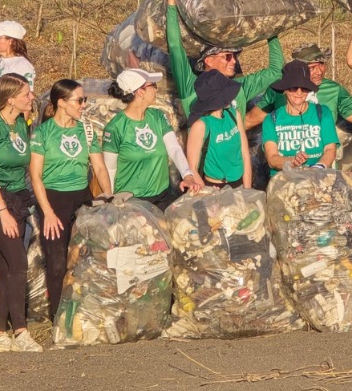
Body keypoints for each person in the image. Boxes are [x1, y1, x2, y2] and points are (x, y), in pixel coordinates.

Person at [29, 79, 111, 320]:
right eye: (80, 100)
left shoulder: (86, 129)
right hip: (53, 200)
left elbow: (99, 167)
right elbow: (35, 176)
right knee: (56, 263)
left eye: (84, 99)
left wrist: (108, 197)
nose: (84, 104)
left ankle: (84, 314)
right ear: (62, 103)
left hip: (81, 198)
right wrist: (48, 212)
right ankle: (58, 318)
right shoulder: (43, 133)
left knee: (84, 259)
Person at [0, 74, 43, 353]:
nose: (31, 98)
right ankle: (21, 331)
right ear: (10, 98)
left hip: (17, 200)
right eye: (26, 94)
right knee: (18, 262)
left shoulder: (21, 124)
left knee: (8, 267)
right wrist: (2, 211)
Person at [161, 0, 284, 120]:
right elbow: (176, 48)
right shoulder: (191, 87)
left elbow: (275, 71)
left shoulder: (240, 87)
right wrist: (171, 3)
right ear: (209, 60)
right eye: (227, 56)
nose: (234, 61)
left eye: (235, 56)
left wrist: (271, 31)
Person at [103, 69, 200, 211]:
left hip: (162, 196)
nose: (156, 89)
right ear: (140, 92)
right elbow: (110, 170)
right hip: (130, 202)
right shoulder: (115, 128)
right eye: (153, 85)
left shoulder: (158, 116)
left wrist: (188, 175)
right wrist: (111, 203)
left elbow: (174, 149)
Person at [245, 44, 352, 131]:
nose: (319, 72)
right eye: (312, 68)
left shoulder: (334, 90)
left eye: (321, 65)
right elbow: (251, 120)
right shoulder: (278, 90)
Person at [262, 61, 340, 174]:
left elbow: (330, 149)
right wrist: (292, 161)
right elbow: (272, 159)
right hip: (284, 182)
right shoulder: (271, 120)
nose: (299, 92)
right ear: (284, 89)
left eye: (304, 88)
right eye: (293, 88)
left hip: (317, 178)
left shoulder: (322, 112)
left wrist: (317, 168)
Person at [186, 70, 252, 189]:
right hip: (215, 187)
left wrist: (247, 190)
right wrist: (207, 194)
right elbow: (192, 167)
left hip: (239, 183)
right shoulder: (201, 125)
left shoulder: (233, 115)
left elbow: (245, 154)